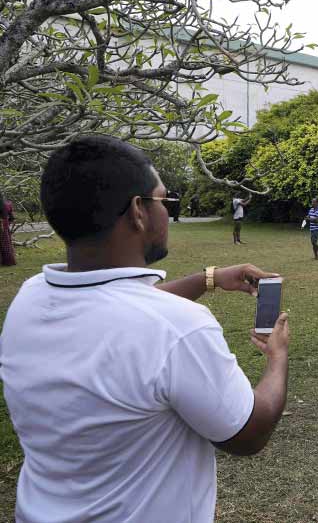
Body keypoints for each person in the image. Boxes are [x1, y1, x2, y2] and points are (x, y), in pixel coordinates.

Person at [0, 136, 291, 521]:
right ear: (138, 210)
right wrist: (278, 359)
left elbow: (121, 309)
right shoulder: (178, 328)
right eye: (164, 201)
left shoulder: (30, 298)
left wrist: (209, 279)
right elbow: (249, 434)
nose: (167, 213)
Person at [1, 190, 15, 266]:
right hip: (4, 226)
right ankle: (8, 261)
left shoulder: (6, 204)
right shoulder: (8, 204)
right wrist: (7, 223)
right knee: (6, 244)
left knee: (5, 244)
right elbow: (12, 217)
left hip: (4, 226)